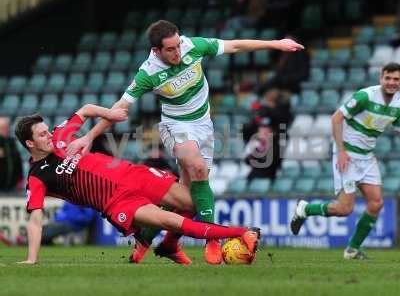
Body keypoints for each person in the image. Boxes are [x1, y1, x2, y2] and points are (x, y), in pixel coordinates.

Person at [66, 20, 303, 264]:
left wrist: (276, 44)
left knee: (187, 198)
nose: (178, 52)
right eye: (170, 49)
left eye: (178, 45)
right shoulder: (148, 72)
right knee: (198, 167)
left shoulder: (192, 46)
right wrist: (89, 136)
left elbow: (234, 46)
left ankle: (156, 241)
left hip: (204, 125)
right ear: (156, 51)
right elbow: (119, 108)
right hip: (175, 126)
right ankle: (212, 239)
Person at [14, 104, 260, 264]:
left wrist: (110, 115)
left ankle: (166, 244)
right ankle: (242, 232)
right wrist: (31, 259)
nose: (49, 135)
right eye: (42, 134)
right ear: (30, 144)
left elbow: (87, 109)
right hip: (117, 202)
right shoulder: (37, 176)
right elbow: (35, 220)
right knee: (172, 221)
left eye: (47, 131)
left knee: (192, 202)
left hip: (131, 174)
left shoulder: (60, 136)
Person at [290, 62, 400, 259]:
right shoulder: (365, 96)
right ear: (381, 78)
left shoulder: (398, 103)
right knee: (344, 209)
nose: (392, 82)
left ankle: (352, 250)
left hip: (367, 156)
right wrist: (341, 151)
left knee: (376, 203)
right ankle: (305, 209)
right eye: (388, 78)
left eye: (396, 79)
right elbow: (336, 118)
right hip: (347, 154)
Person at [0, 116, 23, 192]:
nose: (5, 130)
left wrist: (20, 179)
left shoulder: (12, 142)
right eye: (2, 128)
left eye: (6, 127)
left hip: (13, 186)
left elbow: (18, 161)